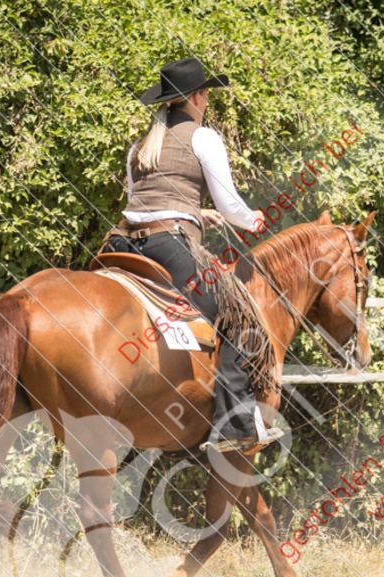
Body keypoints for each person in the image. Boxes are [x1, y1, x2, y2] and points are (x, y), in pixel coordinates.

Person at [101, 57, 282, 453]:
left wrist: (197, 212)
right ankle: (235, 425)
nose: (207, 102)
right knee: (239, 312)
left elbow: (143, 202)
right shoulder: (203, 138)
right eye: (206, 95)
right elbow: (232, 205)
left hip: (122, 244)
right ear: (198, 97)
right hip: (169, 247)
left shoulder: (140, 146)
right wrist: (252, 220)